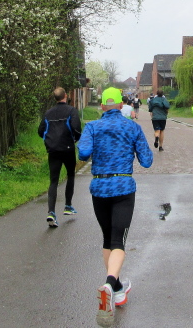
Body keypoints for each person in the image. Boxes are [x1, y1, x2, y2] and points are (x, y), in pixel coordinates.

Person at [78, 87, 153, 327]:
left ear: (102, 106)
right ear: (121, 105)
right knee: (118, 240)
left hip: (99, 188)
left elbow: (83, 153)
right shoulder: (132, 127)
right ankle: (110, 284)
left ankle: (118, 289)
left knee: (108, 238)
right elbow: (147, 161)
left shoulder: (92, 127)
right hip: (123, 188)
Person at [38, 87, 82, 227]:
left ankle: (51, 212)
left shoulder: (48, 113)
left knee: (54, 181)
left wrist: (49, 140)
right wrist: (75, 139)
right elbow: (76, 128)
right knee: (70, 175)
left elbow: (40, 131)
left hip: (53, 150)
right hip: (67, 148)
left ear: (55, 98)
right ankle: (68, 206)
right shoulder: (71, 111)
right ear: (66, 96)